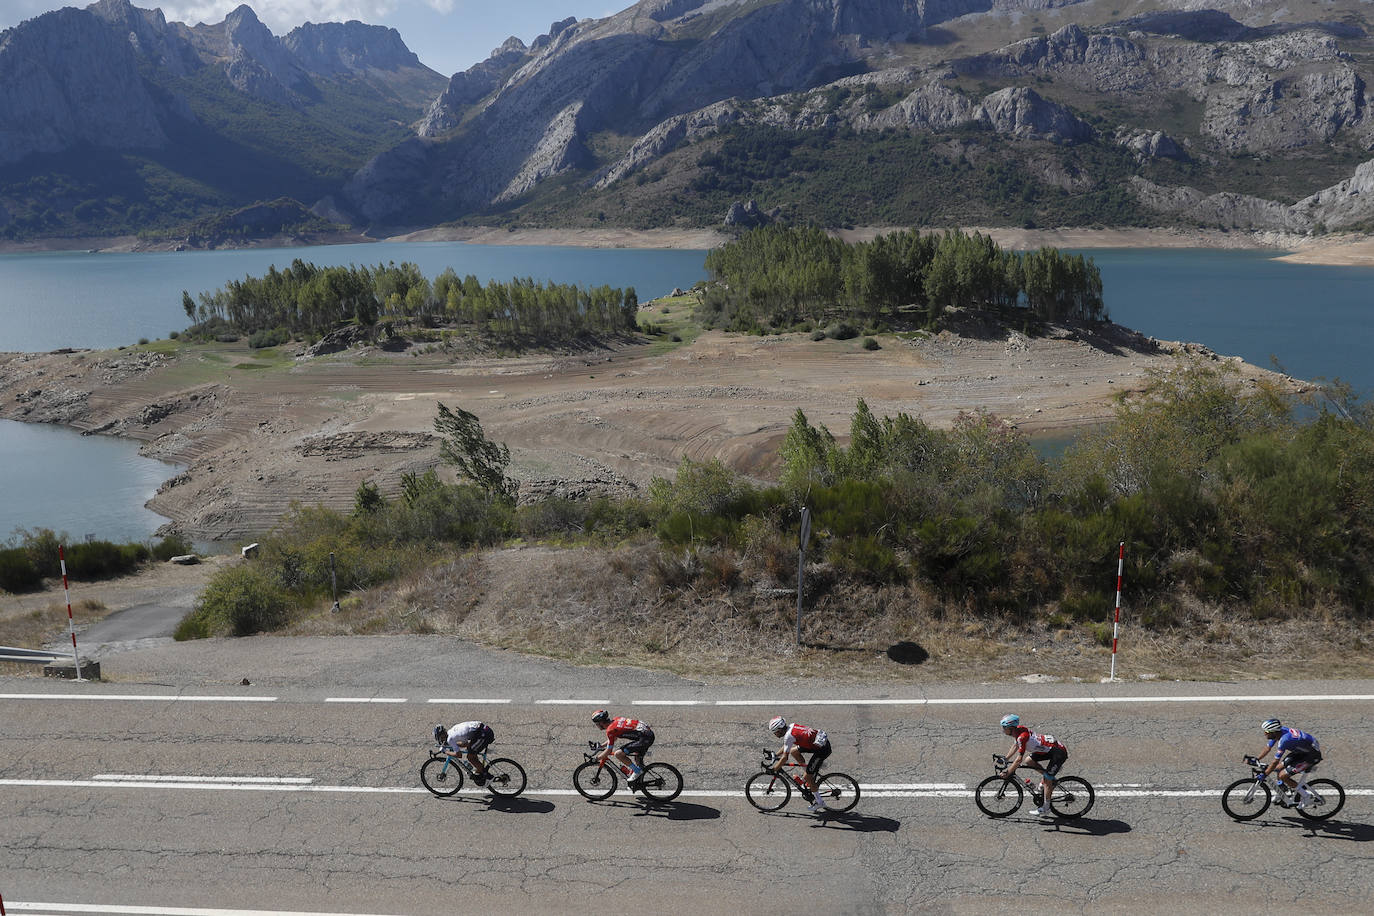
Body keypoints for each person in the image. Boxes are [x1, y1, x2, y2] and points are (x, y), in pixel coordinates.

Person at [1000, 713, 1067, 818]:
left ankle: (1046, 808)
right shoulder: (1018, 731)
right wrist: (1006, 758)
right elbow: (1015, 745)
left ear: (1011, 728)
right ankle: (1051, 774)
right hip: (1047, 750)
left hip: (1058, 753)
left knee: (1047, 779)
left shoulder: (1022, 737)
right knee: (1029, 761)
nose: (1003, 730)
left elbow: (1018, 760)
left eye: (1004, 728)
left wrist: (1008, 772)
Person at [768, 715, 832, 813]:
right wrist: (775, 755)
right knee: (794, 751)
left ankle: (819, 802)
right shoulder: (791, 727)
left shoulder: (788, 736)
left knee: (808, 778)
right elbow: (786, 746)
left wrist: (774, 769)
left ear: (780, 729)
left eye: (775, 732)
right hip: (816, 743)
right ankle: (810, 772)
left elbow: (785, 758)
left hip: (822, 750)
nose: (775, 734)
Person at [1256, 718, 1322, 808]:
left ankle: (1307, 796)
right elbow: (1268, 748)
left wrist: (1265, 774)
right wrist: (1257, 759)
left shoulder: (1284, 740)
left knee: (1283, 776)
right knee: (1278, 769)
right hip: (1302, 751)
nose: (1265, 733)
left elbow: (1275, 761)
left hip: (1311, 756)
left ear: (1273, 732)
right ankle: (1282, 791)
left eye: (1266, 731)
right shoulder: (1278, 733)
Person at [591, 709, 654, 788]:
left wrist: (596, 758)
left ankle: (637, 771)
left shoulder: (610, 730)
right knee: (637, 759)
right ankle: (637, 781)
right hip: (646, 734)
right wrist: (601, 746)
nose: (597, 726)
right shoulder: (616, 720)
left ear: (601, 722)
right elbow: (614, 738)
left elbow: (609, 750)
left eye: (597, 724)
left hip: (645, 738)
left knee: (618, 754)